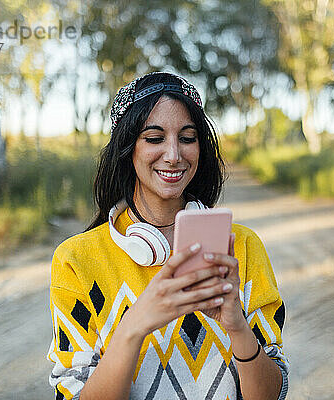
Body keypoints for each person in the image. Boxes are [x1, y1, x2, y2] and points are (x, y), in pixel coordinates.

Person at [46, 71, 289, 400]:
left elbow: (271, 395)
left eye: (187, 138)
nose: (174, 155)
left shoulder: (242, 248)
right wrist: (134, 326)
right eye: (154, 138)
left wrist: (237, 327)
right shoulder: (76, 259)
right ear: (128, 148)